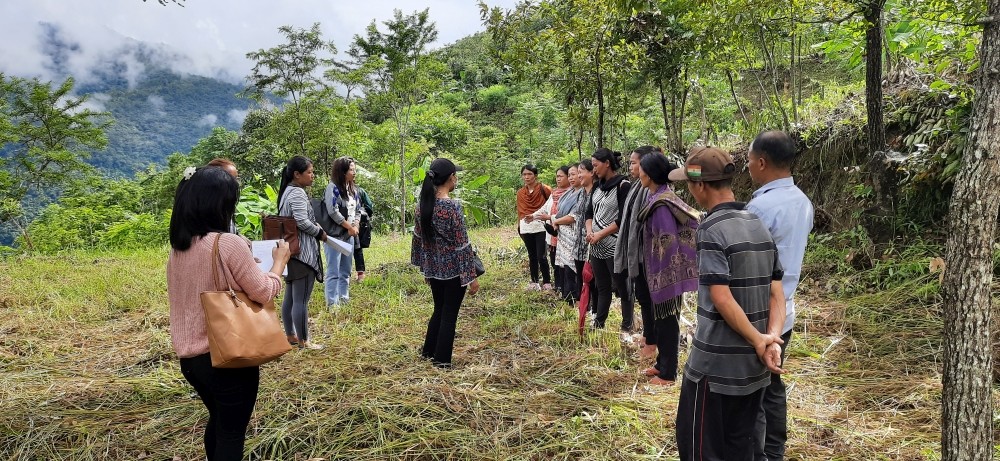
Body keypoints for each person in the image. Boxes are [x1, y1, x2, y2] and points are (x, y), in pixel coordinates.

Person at [668, 146, 786, 461]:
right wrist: (771, 337)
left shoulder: (710, 229)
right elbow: (777, 291)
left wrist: (759, 339)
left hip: (714, 373)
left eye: (689, 184)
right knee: (744, 450)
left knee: (701, 451)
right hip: (754, 369)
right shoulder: (757, 223)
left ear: (699, 185)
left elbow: (720, 296)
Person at [167, 166, 290, 461]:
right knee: (232, 434)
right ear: (220, 204)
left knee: (221, 423)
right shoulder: (228, 243)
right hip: (227, 359)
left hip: (192, 362)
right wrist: (279, 264)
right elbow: (262, 291)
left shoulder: (180, 248)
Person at [746, 131, 814, 461]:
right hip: (784, 310)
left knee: (755, 389)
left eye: (749, 161)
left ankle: (761, 452)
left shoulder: (760, 207)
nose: (748, 168)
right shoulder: (802, 201)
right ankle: (775, 450)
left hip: (756, 314)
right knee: (772, 384)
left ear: (761, 162)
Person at [636, 152, 699, 385]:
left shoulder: (662, 204)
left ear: (650, 175)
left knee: (667, 321)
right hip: (658, 272)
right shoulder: (657, 197)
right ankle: (662, 364)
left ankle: (668, 373)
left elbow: (668, 240)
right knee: (661, 320)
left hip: (665, 274)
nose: (639, 173)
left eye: (641, 169)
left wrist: (665, 275)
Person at [411, 158, 481, 367]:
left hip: (434, 269)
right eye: (455, 175)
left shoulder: (422, 206)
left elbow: (418, 240)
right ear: (451, 178)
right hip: (453, 271)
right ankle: (441, 361)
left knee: (439, 309)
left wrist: (425, 269)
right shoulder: (452, 208)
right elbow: (462, 245)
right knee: (449, 314)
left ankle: (428, 352)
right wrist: (471, 277)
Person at [278, 155, 327, 350]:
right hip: (303, 255)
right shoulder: (297, 193)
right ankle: (304, 341)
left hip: (290, 253)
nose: (312, 176)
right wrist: (320, 233)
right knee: (301, 300)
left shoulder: (286, 192)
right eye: (309, 172)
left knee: (290, 297)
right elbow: (301, 221)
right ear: (297, 174)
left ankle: (290, 335)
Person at [613, 146, 656, 344]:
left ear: (646, 165)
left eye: (633, 162)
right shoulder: (636, 186)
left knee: (648, 299)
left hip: (645, 254)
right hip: (635, 252)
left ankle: (651, 340)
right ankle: (648, 336)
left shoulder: (651, 191)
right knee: (643, 296)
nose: (630, 166)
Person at [586, 148, 631, 330]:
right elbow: (589, 212)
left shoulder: (623, 185)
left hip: (614, 244)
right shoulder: (597, 186)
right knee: (602, 286)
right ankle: (599, 323)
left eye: (596, 166)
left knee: (622, 287)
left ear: (607, 164)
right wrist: (590, 231)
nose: (594, 170)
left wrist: (600, 234)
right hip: (596, 245)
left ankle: (627, 324)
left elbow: (623, 218)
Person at [323, 157, 362, 307]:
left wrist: (356, 225)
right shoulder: (332, 188)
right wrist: (349, 227)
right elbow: (333, 211)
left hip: (349, 236)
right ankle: (332, 304)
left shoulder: (353, 189)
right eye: (351, 170)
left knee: (345, 270)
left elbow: (358, 209)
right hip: (334, 236)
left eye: (354, 169)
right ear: (342, 171)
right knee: (333, 271)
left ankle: (344, 299)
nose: (354, 173)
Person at [530, 166, 570, 296]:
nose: (558, 179)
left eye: (561, 176)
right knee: (555, 261)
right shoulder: (554, 194)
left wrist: (550, 218)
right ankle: (558, 286)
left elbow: (570, 215)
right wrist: (534, 216)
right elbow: (545, 208)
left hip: (566, 235)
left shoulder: (572, 194)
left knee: (566, 264)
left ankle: (567, 290)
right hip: (552, 235)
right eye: (557, 176)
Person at [516, 164, 552, 290]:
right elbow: (520, 212)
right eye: (524, 174)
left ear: (535, 176)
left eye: (529, 174)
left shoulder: (544, 189)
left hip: (540, 225)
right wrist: (519, 227)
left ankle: (547, 282)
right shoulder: (520, 193)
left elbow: (552, 205)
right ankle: (534, 281)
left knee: (541, 255)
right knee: (532, 255)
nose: (527, 177)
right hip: (526, 227)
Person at [550, 164, 582, 303]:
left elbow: (574, 216)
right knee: (564, 268)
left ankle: (575, 298)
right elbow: (560, 213)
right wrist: (556, 221)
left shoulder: (583, 194)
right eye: (569, 175)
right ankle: (567, 296)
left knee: (573, 270)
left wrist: (557, 221)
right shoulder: (568, 193)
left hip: (574, 236)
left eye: (574, 174)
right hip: (563, 237)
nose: (571, 177)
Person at [571, 160, 596, 313]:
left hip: (592, 240)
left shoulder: (597, 192)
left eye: (582, 172)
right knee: (580, 274)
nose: (579, 175)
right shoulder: (580, 193)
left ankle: (593, 306)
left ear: (592, 172)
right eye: (577, 172)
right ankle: (583, 304)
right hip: (578, 242)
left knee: (592, 276)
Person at [207, 158, 240, 234]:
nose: (236, 183)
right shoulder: (209, 213)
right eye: (232, 179)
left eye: (237, 179)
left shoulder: (226, 207)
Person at [354, 185, 374, 282]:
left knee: (356, 247)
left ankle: (360, 274)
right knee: (357, 248)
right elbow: (369, 206)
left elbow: (369, 206)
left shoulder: (359, 191)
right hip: (352, 223)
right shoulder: (359, 190)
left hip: (354, 223)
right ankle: (360, 274)